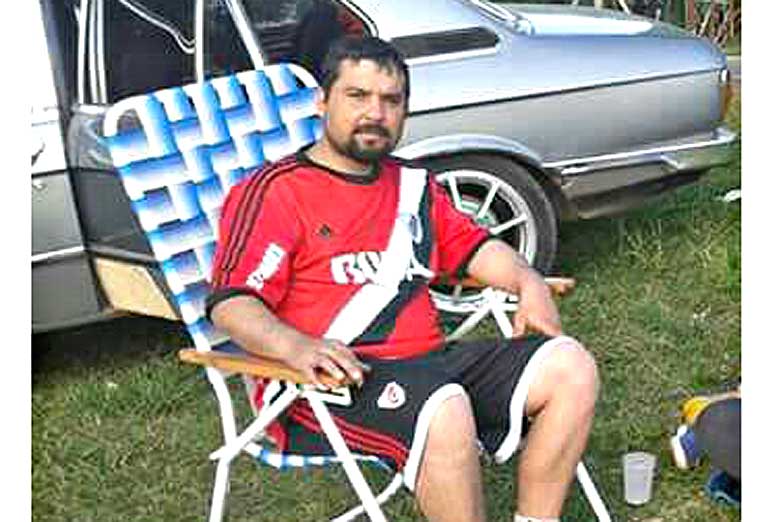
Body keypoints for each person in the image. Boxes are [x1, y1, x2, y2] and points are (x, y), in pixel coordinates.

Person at [206, 36, 599, 522]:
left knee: (570, 367)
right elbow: (232, 303)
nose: (375, 113)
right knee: (445, 408)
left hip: (428, 365)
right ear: (322, 102)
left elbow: (477, 249)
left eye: (391, 100)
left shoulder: (413, 185)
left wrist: (529, 282)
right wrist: (296, 347)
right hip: (324, 383)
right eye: (357, 96)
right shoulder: (274, 192)